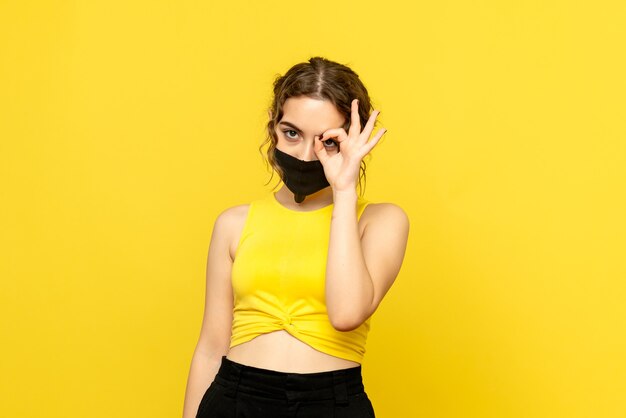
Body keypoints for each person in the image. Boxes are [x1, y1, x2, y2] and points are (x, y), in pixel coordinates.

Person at [182, 56, 409, 418]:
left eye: (328, 141)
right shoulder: (234, 223)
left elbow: (347, 313)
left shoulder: (380, 221)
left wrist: (345, 191)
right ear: (273, 129)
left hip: (331, 403)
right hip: (235, 399)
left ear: (354, 140)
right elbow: (211, 348)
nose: (306, 154)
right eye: (292, 133)